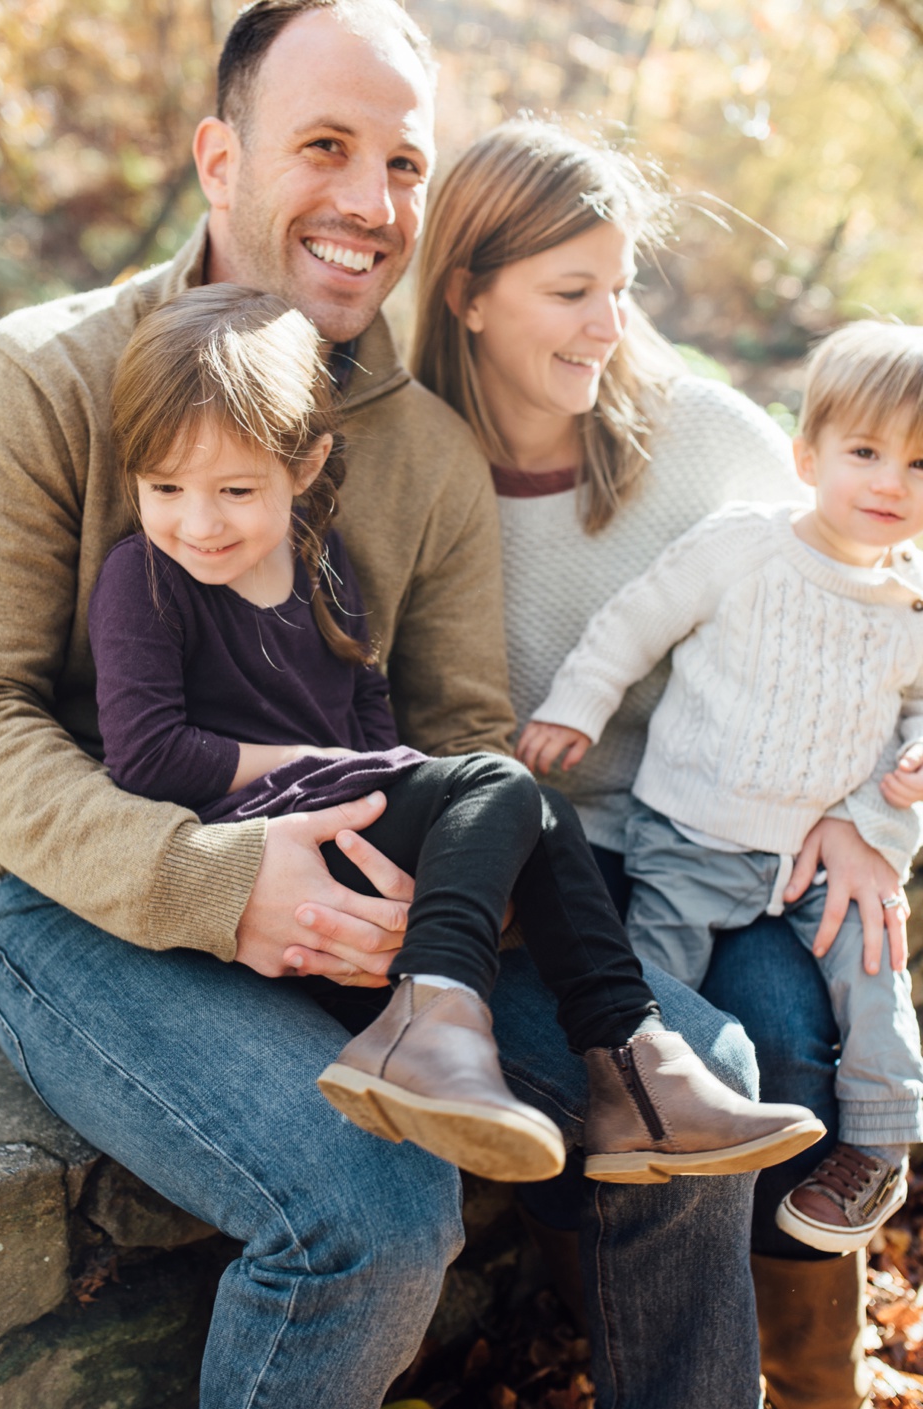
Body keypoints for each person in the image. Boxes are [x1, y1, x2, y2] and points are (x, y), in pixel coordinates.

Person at [0, 1, 773, 1409]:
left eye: (404, 164)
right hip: (87, 900)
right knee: (372, 1209)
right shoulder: (44, 372)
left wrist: (433, 908)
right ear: (218, 157)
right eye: (326, 148)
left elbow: (453, 737)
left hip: (378, 885)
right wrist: (214, 881)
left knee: (706, 1067)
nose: (371, 204)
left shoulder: (423, 444)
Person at [411, 119, 900, 1409]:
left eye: (622, 285)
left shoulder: (711, 445)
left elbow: (866, 649)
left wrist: (871, 825)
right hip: (535, 887)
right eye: (573, 290)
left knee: (795, 1056)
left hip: (716, 842)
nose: (611, 323)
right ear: (470, 292)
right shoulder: (409, 463)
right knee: (637, 1070)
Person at [91, 283, 821, 1183]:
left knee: (537, 809)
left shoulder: (326, 572)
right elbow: (146, 755)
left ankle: (634, 1066)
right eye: (165, 488)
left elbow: (371, 721)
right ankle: (434, 1019)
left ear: (306, 463)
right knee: (500, 785)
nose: (197, 523)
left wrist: (393, 783)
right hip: (256, 842)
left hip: (347, 823)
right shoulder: (143, 580)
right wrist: (332, 765)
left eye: (236, 490)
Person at [520, 321, 923, 1244]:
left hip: (815, 859)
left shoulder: (912, 599)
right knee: (651, 989)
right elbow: (634, 623)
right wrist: (578, 707)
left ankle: (880, 1146)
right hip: (692, 835)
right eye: (866, 451)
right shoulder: (745, 546)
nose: (893, 482)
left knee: (873, 966)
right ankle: (617, 1136)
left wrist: (905, 771)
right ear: (807, 455)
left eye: (921, 463)